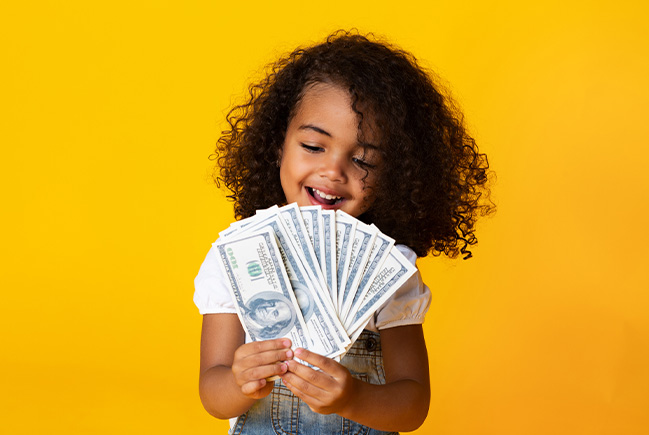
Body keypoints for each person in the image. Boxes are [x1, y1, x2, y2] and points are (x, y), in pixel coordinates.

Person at [194, 30, 493, 434]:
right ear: (278, 144)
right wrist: (239, 381)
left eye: (363, 161)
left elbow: (412, 406)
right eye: (314, 147)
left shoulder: (389, 270)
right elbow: (212, 393)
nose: (333, 171)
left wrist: (355, 397)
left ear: (396, 175)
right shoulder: (236, 255)